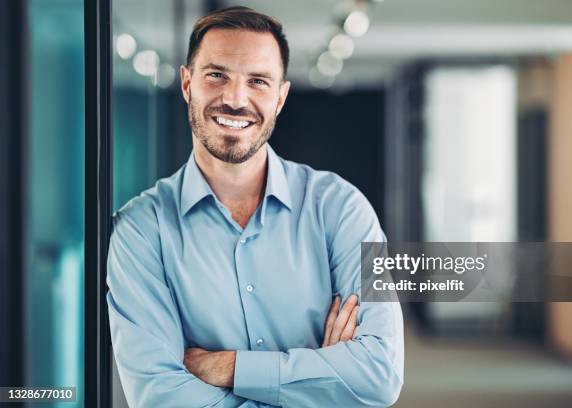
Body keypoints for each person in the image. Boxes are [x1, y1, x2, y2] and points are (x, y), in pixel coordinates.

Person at [107, 6, 403, 407]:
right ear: (186, 84)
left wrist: (230, 368)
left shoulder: (342, 210)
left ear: (280, 97)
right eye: (216, 75)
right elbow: (159, 395)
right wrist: (320, 380)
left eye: (258, 81)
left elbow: (378, 374)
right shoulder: (140, 230)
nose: (234, 99)